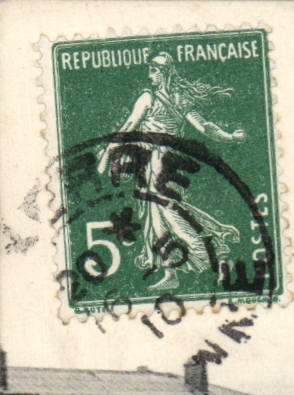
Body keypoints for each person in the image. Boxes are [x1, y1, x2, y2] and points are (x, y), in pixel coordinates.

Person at [97, 53, 245, 290]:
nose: (149, 75)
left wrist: (106, 154)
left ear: (164, 72)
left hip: (159, 161)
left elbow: (128, 127)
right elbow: (204, 126)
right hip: (164, 161)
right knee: (162, 216)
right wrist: (229, 136)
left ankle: (216, 253)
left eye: (154, 70)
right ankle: (174, 271)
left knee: (166, 216)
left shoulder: (150, 98)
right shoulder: (179, 98)